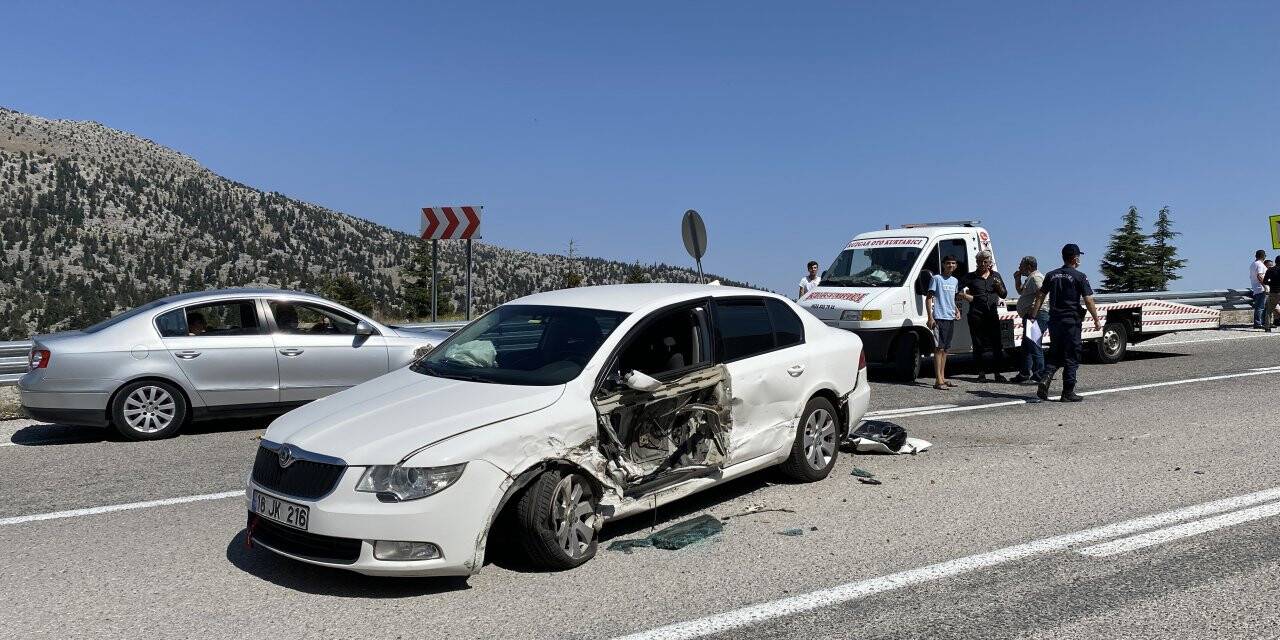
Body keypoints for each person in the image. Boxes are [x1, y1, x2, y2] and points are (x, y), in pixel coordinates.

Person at [1031, 244, 1102, 402]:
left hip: (1054, 321)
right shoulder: (1080, 276)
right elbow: (1088, 300)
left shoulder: (1051, 275)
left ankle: (1045, 378)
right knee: (1071, 355)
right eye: (1079, 256)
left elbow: (1040, 296)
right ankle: (1068, 392)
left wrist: (1034, 315)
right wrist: (1096, 319)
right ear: (1075, 258)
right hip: (1071, 321)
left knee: (1056, 353)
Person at [959, 251, 1008, 382]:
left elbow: (1004, 294)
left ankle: (998, 374)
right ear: (977, 262)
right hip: (976, 315)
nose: (982, 264)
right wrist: (965, 296)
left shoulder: (995, 276)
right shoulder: (971, 277)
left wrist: (998, 287)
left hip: (992, 315)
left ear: (989, 263)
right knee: (978, 344)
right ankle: (981, 374)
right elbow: (956, 289)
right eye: (980, 261)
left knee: (997, 344)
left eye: (985, 262)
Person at [926, 255, 962, 390]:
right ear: (943, 264)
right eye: (948, 263)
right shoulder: (936, 279)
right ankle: (937, 380)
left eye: (953, 263)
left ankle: (943, 377)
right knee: (938, 348)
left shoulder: (954, 281)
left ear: (956, 265)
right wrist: (930, 317)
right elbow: (928, 298)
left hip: (949, 317)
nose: (951, 265)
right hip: (939, 317)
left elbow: (951, 298)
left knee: (946, 349)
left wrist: (956, 310)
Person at [1012, 256, 1049, 384]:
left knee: (1034, 345)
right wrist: (1017, 279)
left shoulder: (1036, 277)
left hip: (1036, 315)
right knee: (1027, 346)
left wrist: (1033, 313)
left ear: (1028, 266)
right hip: (1032, 315)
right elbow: (1021, 291)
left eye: (1021, 265)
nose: (1019, 267)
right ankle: (1024, 373)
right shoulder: (1030, 278)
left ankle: (1039, 375)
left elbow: (1041, 293)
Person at [1250, 249, 1268, 328]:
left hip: (1256, 288)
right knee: (1260, 307)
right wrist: (1265, 286)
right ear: (1263, 256)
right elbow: (1259, 276)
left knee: (1261, 307)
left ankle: (1262, 322)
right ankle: (1258, 323)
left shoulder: (1253, 264)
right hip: (1261, 288)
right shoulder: (1260, 264)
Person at [1265, 255, 1280, 332]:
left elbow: (1265, 281)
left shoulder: (1270, 270)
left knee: (1269, 310)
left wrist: (1271, 283)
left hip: (1274, 292)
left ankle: (1267, 328)